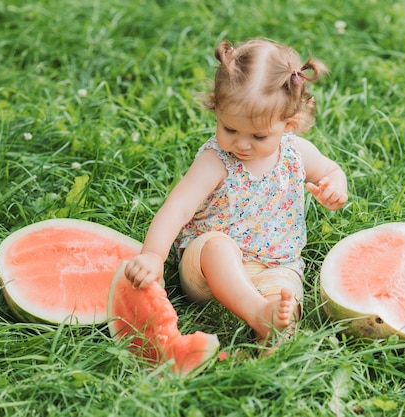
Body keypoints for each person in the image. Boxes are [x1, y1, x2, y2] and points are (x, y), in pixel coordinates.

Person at [125, 38, 347, 348]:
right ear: (216, 106)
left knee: (286, 299)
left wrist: (334, 187)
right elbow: (178, 208)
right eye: (230, 129)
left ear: (289, 124)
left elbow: (331, 171)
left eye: (258, 135)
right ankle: (257, 313)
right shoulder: (215, 160)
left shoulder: (298, 153)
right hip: (207, 269)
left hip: (276, 264)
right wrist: (152, 255)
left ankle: (276, 328)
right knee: (219, 247)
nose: (242, 144)